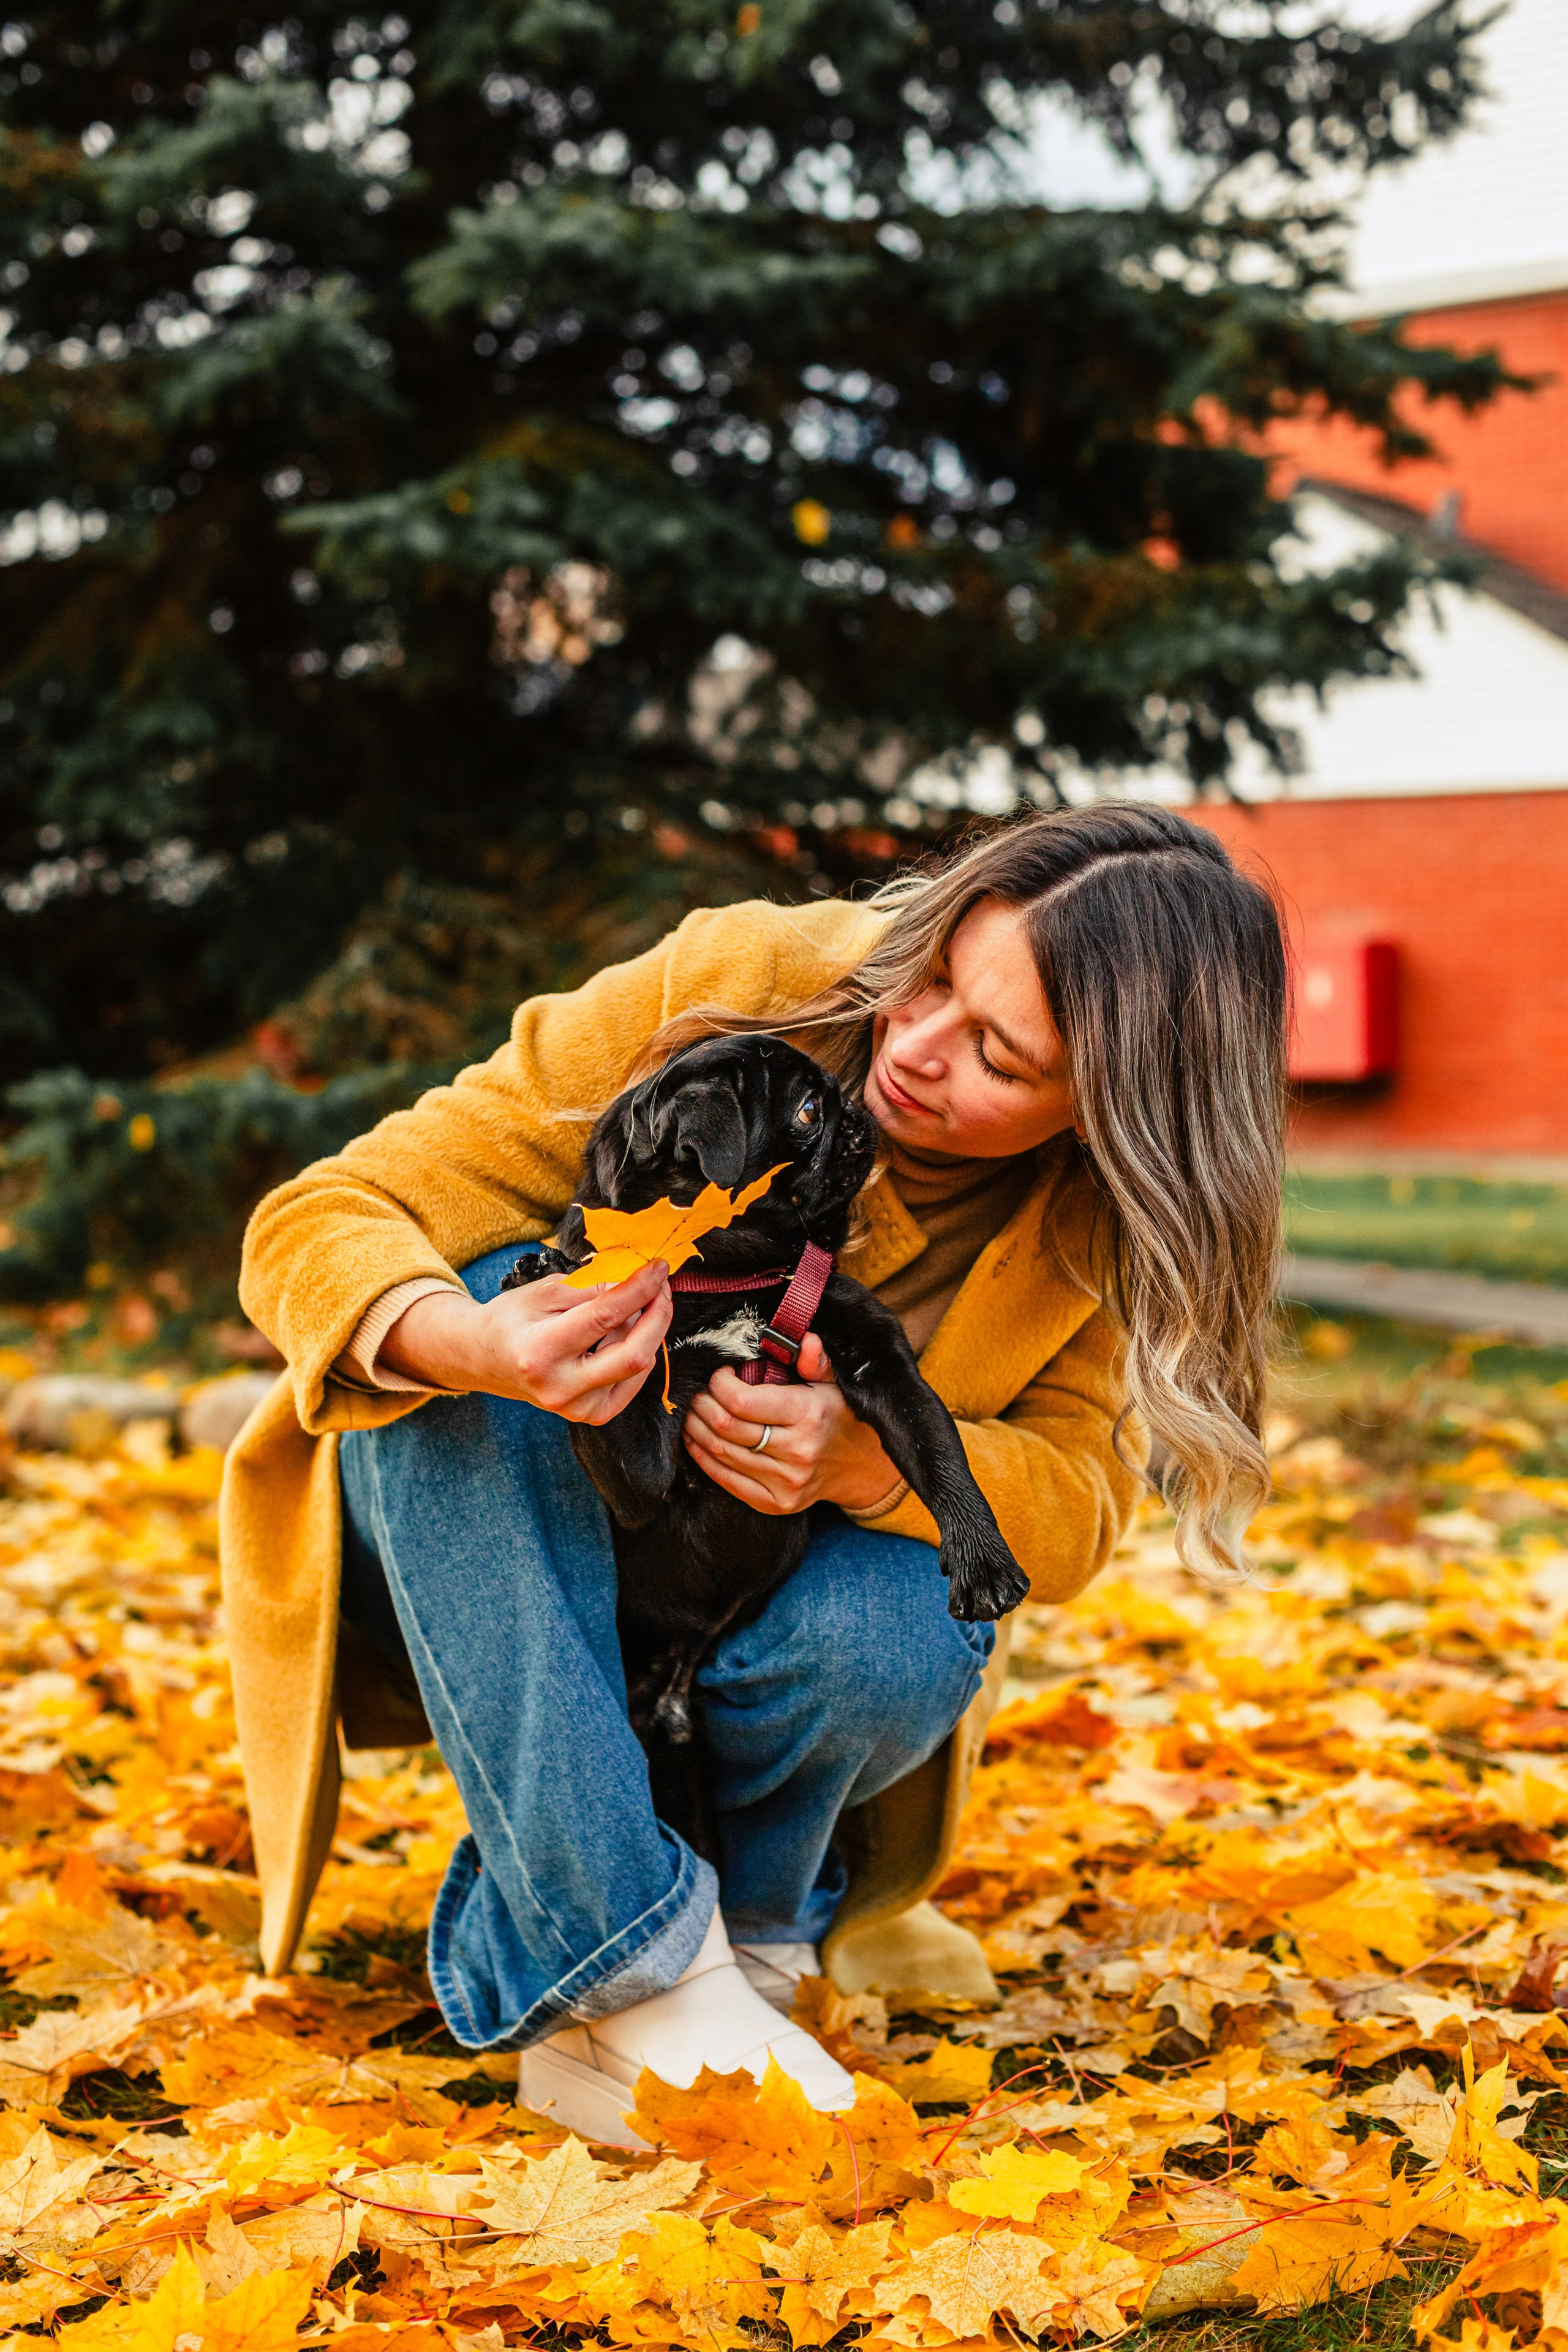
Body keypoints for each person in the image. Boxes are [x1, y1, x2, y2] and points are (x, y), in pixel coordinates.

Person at [224, 802, 1287, 2144]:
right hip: (484, 1541)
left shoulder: (1088, 1219)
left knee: (910, 1616)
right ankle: (638, 1964)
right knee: (496, 1286)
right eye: (938, 980)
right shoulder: (743, 993)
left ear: (1107, 1113)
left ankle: (744, 1942)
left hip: (731, 1605)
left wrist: (863, 1466)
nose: (912, 1049)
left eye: (999, 1058)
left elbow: (1073, 1510)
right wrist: (473, 1343)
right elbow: (319, 1217)